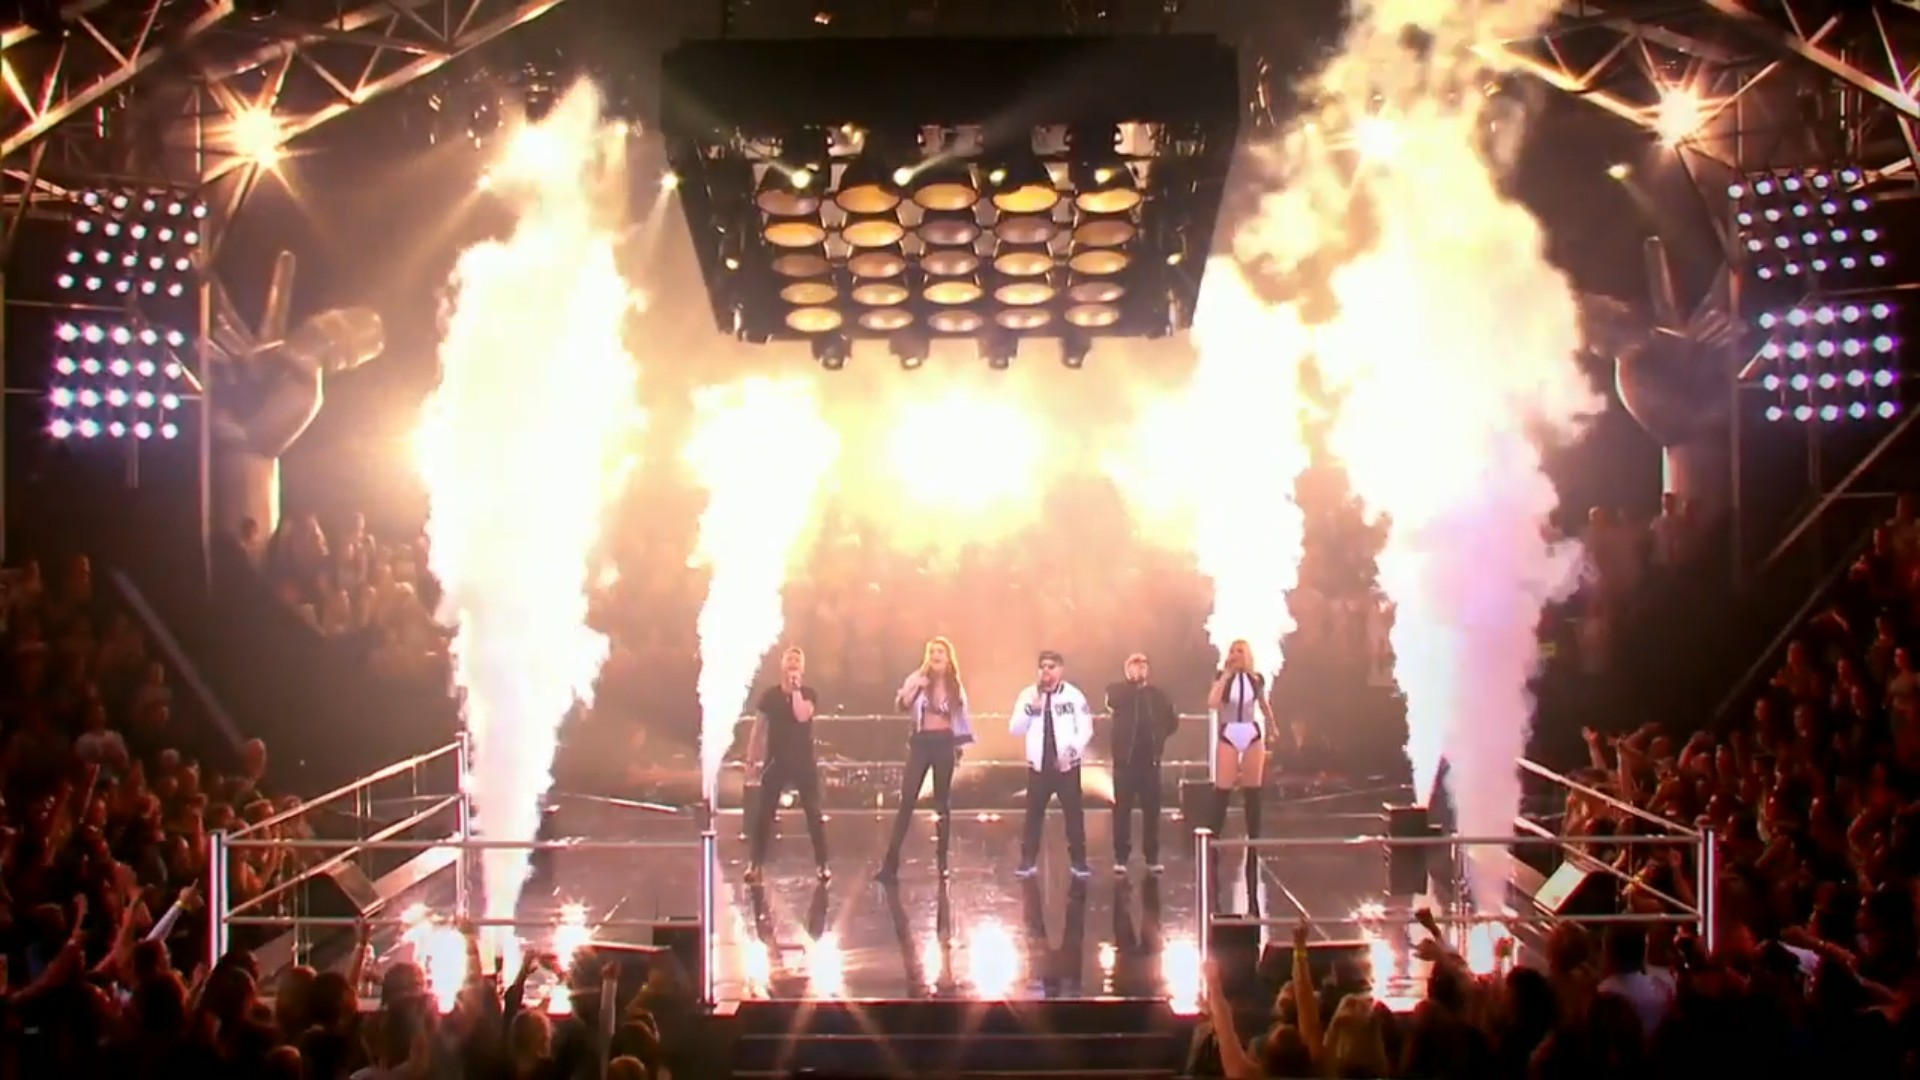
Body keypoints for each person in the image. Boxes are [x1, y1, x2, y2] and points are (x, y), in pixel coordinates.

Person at [876, 636, 975, 882]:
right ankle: (890, 864)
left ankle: (942, 862)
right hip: (921, 743)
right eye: (932, 652)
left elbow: (962, 718)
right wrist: (915, 687)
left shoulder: (955, 686)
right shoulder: (917, 679)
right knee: (907, 800)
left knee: (942, 803)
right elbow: (901, 704)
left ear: (948, 658)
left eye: (940, 652)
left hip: (944, 743)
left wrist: (959, 747)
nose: (936, 656)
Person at [744, 646, 829, 883]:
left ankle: (822, 864)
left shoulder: (809, 693)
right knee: (764, 814)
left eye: (797, 660)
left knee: (813, 813)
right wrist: (751, 759)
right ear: (782, 665)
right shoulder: (769, 696)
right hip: (776, 761)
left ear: (802, 667)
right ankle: (755, 864)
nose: (793, 663)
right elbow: (758, 729)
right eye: (789, 659)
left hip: (803, 761)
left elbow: (802, 715)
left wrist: (796, 691)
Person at [1012, 650, 1094, 878]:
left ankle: (1079, 862)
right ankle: (1027, 861)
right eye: (1043, 667)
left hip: (1067, 767)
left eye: (1051, 666)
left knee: (1073, 816)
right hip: (1039, 767)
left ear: (1060, 670)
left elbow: (1086, 728)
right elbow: (1015, 728)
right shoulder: (1028, 695)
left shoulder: (1073, 696)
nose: (1046, 671)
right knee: (1033, 816)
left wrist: (1072, 750)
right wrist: (1031, 709)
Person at [1207, 639, 1275, 896]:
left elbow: (1263, 704)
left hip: (1251, 732)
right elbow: (1213, 703)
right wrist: (1226, 675)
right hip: (1229, 732)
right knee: (1222, 789)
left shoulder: (1256, 679)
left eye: (1239, 651)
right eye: (1232, 651)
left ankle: (1253, 839)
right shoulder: (1222, 677)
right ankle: (1213, 837)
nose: (1235, 655)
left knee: (1252, 790)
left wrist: (1273, 725)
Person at [1105, 651, 1180, 874]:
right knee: (1122, 810)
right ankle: (1121, 857)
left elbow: (1172, 721)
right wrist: (1132, 684)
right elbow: (1111, 702)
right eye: (1135, 663)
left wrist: (1159, 739)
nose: (1140, 667)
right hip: (1125, 762)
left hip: (1150, 762)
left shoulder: (1157, 695)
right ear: (1126, 668)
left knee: (1152, 811)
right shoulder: (1117, 691)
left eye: (1143, 663)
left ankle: (1152, 857)